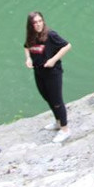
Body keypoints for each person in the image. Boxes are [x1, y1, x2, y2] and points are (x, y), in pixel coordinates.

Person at [24, 11, 72, 143]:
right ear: (31, 25)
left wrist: (53, 59)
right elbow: (26, 47)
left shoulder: (51, 35)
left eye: (40, 21)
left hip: (53, 73)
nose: (38, 25)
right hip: (39, 72)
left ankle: (65, 129)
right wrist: (28, 59)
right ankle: (58, 122)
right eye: (35, 23)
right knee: (47, 97)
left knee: (57, 101)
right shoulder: (31, 36)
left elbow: (67, 46)